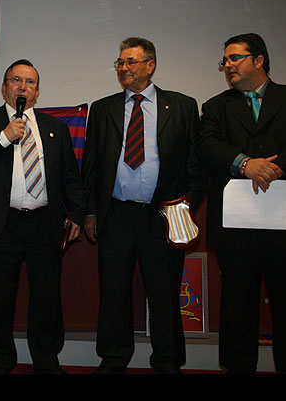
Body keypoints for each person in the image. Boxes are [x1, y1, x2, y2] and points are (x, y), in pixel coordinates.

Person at [198, 33, 286, 374]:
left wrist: (273, 167)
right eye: (225, 60)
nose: (228, 65)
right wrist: (245, 164)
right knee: (237, 306)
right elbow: (207, 145)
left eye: (235, 58)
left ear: (259, 60)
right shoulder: (215, 106)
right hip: (238, 228)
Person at [82, 37, 208, 374]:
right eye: (120, 62)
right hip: (116, 214)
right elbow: (91, 166)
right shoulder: (103, 108)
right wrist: (91, 212)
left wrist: (186, 206)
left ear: (150, 66)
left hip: (163, 214)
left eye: (131, 62)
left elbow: (196, 165)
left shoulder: (182, 106)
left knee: (164, 292)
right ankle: (113, 358)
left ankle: (168, 360)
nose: (123, 68)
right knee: (113, 290)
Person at [0, 59, 85, 374]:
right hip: (1, 225)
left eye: (30, 82)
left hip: (45, 224)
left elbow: (70, 176)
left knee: (46, 297)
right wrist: (4, 137)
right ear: (4, 88)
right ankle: (0, 362)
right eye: (16, 80)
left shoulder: (56, 128)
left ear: (37, 92)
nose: (23, 87)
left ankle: (46, 360)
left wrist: (78, 213)